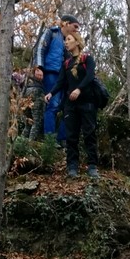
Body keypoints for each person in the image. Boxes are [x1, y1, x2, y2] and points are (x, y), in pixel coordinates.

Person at [45, 30, 99, 179]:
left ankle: (92, 166)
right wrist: (51, 93)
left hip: (87, 103)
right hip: (70, 105)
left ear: (76, 42)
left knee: (89, 134)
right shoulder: (66, 63)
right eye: (65, 40)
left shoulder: (87, 59)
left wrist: (79, 89)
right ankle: (72, 167)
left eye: (68, 39)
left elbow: (89, 76)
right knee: (71, 136)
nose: (66, 42)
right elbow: (60, 81)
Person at [33, 14, 80, 142]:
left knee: (68, 107)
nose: (76, 30)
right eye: (75, 26)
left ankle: (62, 140)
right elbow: (40, 48)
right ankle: (49, 141)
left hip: (64, 78)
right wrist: (38, 67)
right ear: (66, 23)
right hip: (50, 73)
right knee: (52, 105)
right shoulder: (51, 32)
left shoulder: (69, 42)